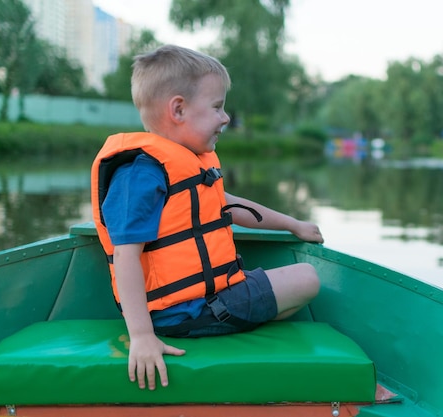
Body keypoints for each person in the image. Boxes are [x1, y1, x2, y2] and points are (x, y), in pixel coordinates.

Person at [90, 44, 323, 391]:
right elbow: (126, 255)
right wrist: (141, 336)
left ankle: (227, 319)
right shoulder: (141, 174)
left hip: (202, 302)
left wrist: (294, 225)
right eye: (217, 107)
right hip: (183, 311)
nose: (226, 118)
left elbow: (229, 205)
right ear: (179, 109)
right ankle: (220, 323)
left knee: (290, 288)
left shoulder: (188, 165)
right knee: (307, 278)